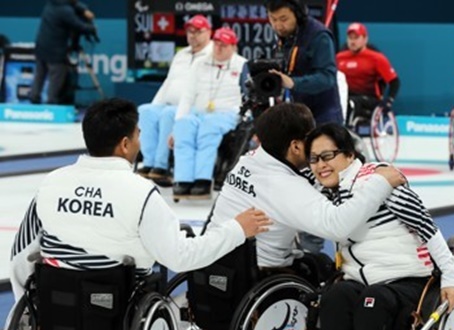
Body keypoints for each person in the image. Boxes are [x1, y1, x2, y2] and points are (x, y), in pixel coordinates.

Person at [9, 98, 271, 300]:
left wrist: (29, 305)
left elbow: (21, 254)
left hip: (57, 304)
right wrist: (237, 228)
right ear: (125, 144)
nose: (139, 141)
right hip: (119, 306)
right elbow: (180, 258)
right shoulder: (140, 193)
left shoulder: (50, 183)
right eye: (137, 135)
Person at [301, 123, 454, 330]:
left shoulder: (379, 179)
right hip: (359, 280)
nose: (320, 165)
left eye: (328, 156)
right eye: (314, 159)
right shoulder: (326, 186)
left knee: (372, 299)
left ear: (349, 154)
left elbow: (427, 228)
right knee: (335, 296)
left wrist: (451, 277)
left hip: (407, 278)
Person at [208, 102, 406, 279]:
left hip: (217, 263)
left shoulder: (249, 159)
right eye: (310, 136)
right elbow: (337, 226)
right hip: (260, 273)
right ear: (295, 146)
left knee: (318, 261)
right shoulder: (284, 186)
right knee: (338, 275)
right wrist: (380, 182)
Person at [171, 27, 248, 199]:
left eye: (224, 45)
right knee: (184, 126)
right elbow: (187, 96)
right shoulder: (200, 63)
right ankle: (183, 180)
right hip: (199, 112)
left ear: (233, 47)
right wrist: (176, 125)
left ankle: (203, 180)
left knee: (208, 128)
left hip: (227, 113)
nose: (219, 48)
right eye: (217, 44)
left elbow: (248, 97)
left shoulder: (242, 65)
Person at [137, 14, 214, 185]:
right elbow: (168, 83)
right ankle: (148, 162)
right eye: (190, 31)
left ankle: (161, 166)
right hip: (170, 104)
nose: (193, 35)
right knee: (146, 110)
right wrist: (154, 104)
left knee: (168, 114)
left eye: (198, 31)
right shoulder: (181, 55)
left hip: (195, 108)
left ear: (209, 32)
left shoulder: (213, 54)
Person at [265, 0, 343, 125]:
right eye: (272, 19)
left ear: (298, 14)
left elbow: (327, 77)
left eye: (283, 19)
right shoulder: (284, 37)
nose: (278, 25)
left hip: (323, 115)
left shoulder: (319, 36)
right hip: (296, 114)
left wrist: (293, 82)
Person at [30, 0, 97, 105]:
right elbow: (78, 26)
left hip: (41, 47)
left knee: (39, 74)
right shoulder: (66, 11)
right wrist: (92, 28)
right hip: (55, 51)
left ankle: (34, 98)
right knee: (57, 76)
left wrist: (84, 10)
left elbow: (74, 4)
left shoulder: (51, 4)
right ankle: (51, 102)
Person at [336, 22, 400, 122]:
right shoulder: (339, 58)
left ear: (365, 39)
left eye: (356, 38)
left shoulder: (376, 58)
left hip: (369, 98)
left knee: (351, 103)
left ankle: (347, 129)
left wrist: (389, 101)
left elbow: (394, 82)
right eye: (350, 38)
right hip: (346, 96)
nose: (352, 41)